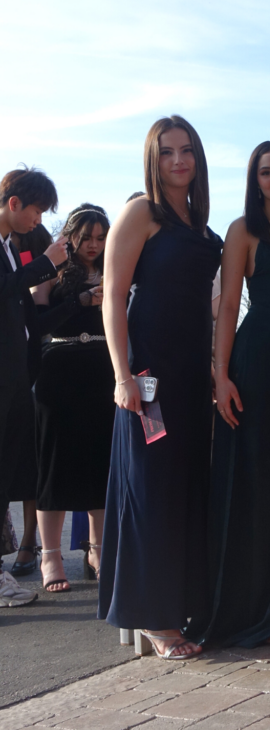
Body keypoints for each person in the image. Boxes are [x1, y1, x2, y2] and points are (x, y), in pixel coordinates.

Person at [98, 116, 222, 659]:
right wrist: (122, 375)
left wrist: (217, 367)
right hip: (148, 380)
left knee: (186, 487)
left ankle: (184, 605)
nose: (178, 160)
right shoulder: (140, 213)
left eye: (186, 150)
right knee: (151, 488)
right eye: (167, 151)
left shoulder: (202, 225)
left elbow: (211, 304)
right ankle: (153, 616)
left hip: (192, 376)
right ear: (153, 159)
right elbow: (112, 296)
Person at [199, 139, 270, 647]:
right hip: (257, 366)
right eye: (267, 172)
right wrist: (221, 375)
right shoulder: (242, 230)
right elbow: (227, 307)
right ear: (255, 180)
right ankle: (253, 610)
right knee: (259, 484)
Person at [31, 205, 114, 592]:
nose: (94, 245)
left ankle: (97, 552)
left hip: (102, 371)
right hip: (59, 370)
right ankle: (50, 556)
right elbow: (37, 325)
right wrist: (79, 302)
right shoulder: (50, 269)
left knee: (100, 463)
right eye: (86, 238)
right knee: (54, 465)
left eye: (101, 238)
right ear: (70, 236)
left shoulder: (116, 267)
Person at [0, 167, 67, 607]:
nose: (38, 220)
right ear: (14, 203)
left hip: (15, 374)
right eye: (37, 211)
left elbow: (27, 318)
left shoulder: (10, 247)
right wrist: (45, 264)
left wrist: (77, 302)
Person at [7, 224, 53, 578]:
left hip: (39, 368)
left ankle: (28, 542)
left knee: (32, 461)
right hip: (13, 371)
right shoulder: (20, 261)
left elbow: (38, 324)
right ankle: (23, 543)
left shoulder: (42, 253)